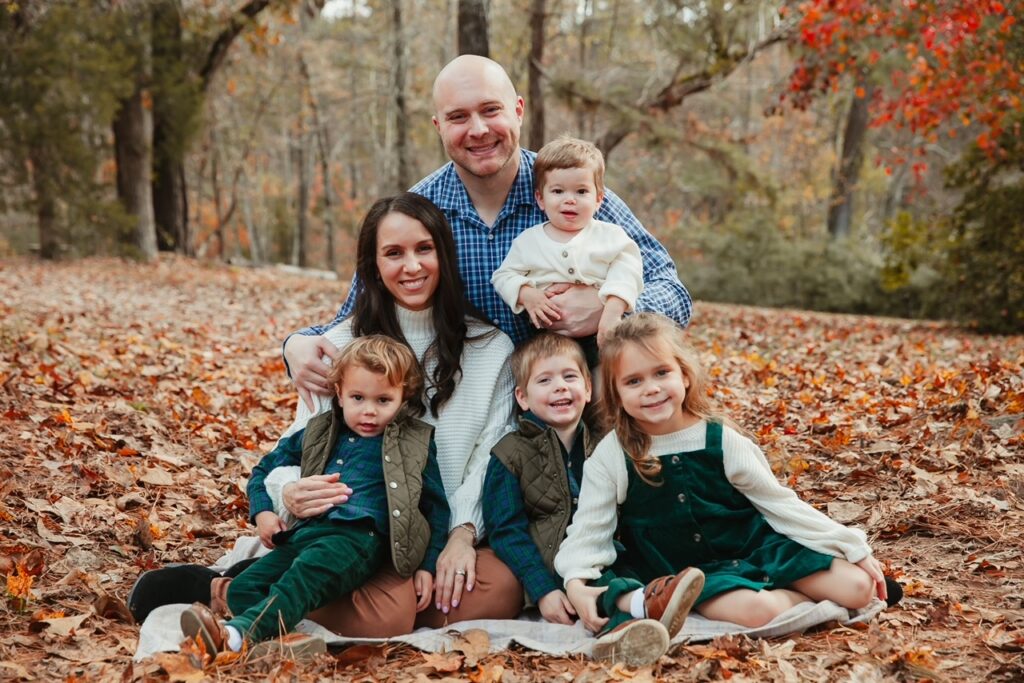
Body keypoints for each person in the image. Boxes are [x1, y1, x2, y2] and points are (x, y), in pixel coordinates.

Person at [130, 194, 522, 636]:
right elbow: (300, 441)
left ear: (444, 255)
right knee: (386, 616)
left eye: (423, 249)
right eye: (393, 253)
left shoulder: (492, 348)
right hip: (345, 531)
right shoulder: (338, 344)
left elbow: (491, 456)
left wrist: (461, 536)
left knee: (503, 588)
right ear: (373, 266)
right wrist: (289, 493)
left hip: (428, 534)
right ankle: (230, 591)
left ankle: (256, 590)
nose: (411, 266)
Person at [284, 55, 691, 412]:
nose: (477, 130)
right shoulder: (418, 211)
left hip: (579, 404)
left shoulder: (571, 194)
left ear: (518, 110)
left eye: (490, 110)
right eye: (458, 117)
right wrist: (295, 345)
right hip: (469, 414)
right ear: (438, 125)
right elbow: (359, 315)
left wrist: (610, 310)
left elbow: (673, 293)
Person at [556, 313, 893, 646]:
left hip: (753, 547)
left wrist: (850, 546)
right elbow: (590, 528)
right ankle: (794, 604)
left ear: (684, 376)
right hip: (688, 571)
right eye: (634, 381)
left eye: (662, 373)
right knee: (759, 609)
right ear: (616, 393)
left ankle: (800, 596)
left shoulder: (721, 439)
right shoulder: (613, 453)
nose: (652, 389)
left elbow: (779, 504)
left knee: (860, 587)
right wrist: (575, 580)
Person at [179, 335, 450, 659]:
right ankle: (284, 645)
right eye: (358, 397)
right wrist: (263, 512)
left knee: (304, 574)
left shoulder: (416, 441)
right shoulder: (320, 431)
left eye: (383, 400)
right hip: (307, 532)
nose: (368, 412)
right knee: (243, 587)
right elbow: (264, 469)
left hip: (358, 538)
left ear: (402, 396)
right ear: (339, 393)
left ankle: (237, 636)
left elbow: (436, 507)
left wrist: (428, 565)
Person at [483, 333, 702, 667]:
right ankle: (637, 615)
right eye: (545, 380)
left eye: (569, 377)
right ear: (523, 397)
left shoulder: (606, 444)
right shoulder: (509, 454)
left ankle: (639, 619)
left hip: (608, 550)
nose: (560, 387)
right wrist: (542, 590)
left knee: (630, 568)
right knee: (603, 587)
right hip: (555, 564)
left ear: (588, 388)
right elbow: (505, 530)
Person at [491, 136, 643, 364]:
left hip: (601, 333)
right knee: (546, 383)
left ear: (599, 199)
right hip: (547, 340)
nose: (570, 200)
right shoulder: (529, 241)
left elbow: (628, 272)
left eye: (581, 192)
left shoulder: (611, 236)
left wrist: (612, 310)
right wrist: (527, 295)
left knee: (607, 383)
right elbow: (503, 276)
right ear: (540, 199)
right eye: (558, 191)